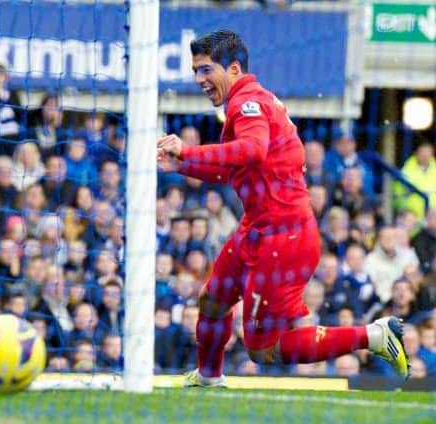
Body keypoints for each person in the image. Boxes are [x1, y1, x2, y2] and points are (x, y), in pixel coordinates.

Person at [156, 30, 409, 386]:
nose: (199, 80)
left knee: (263, 350)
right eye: (196, 71)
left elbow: (253, 149)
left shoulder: (248, 104)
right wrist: (183, 165)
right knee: (212, 299)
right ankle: (208, 377)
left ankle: (374, 336)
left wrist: (187, 150)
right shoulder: (247, 102)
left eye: (206, 70)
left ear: (232, 68)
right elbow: (234, 166)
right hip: (257, 227)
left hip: (283, 239)